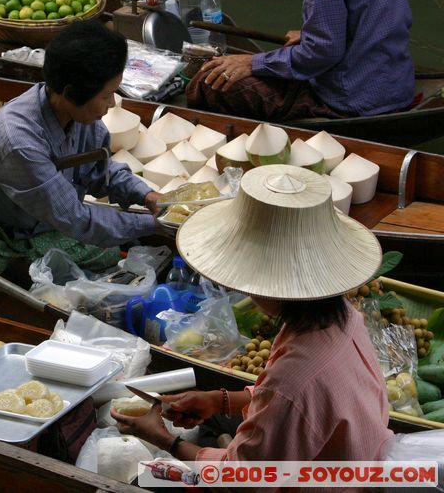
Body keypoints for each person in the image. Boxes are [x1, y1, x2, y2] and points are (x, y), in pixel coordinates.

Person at [111, 164, 394, 464]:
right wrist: (220, 401)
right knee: (217, 423)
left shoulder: (292, 382)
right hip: (356, 455)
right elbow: (291, 402)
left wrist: (165, 440)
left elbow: (243, 479)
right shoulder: (344, 317)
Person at [0, 21, 162, 275]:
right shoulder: (18, 139)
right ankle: (16, 268)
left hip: (30, 221)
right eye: (106, 95)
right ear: (70, 92)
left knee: (108, 249)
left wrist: (147, 197)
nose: (111, 104)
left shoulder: (83, 118)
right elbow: (75, 218)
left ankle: (24, 260)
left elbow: (101, 173)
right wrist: (155, 225)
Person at [186, 0, 415, 121]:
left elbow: (322, 53)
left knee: (209, 83)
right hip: (397, 85)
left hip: (351, 99)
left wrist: (252, 63)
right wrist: (309, 35)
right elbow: (378, 16)